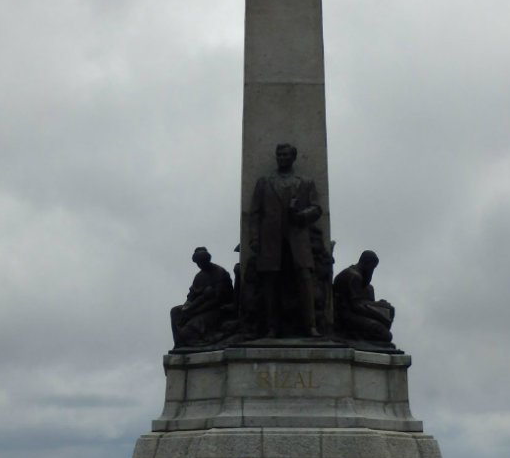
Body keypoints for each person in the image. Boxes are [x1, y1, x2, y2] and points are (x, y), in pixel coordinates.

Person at [247, 142, 323, 338]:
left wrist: (300, 216)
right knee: (270, 284)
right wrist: (254, 239)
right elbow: (254, 213)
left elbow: (316, 208)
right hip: (271, 241)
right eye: (279, 155)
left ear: (293, 157)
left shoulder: (305, 182)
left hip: (298, 239)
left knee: (305, 281)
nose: (281, 158)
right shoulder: (264, 182)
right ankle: (272, 328)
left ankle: (311, 326)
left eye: (285, 155)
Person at [169, 246, 235, 348]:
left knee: (187, 331)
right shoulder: (199, 276)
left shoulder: (220, 273)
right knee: (175, 311)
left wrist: (194, 311)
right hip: (198, 307)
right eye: (198, 263)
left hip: (216, 310)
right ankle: (179, 343)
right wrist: (187, 306)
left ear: (207, 260)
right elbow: (192, 294)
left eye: (201, 262)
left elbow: (218, 300)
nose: (199, 265)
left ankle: (190, 341)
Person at [333, 251, 396, 346]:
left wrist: (379, 305)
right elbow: (356, 306)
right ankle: (356, 339)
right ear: (366, 263)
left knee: (388, 312)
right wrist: (380, 313)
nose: (372, 271)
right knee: (385, 335)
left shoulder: (366, 285)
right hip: (347, 318)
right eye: (372, 268)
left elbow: (365, 303)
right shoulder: (353, 276)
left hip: (357, 315)